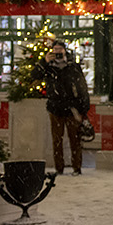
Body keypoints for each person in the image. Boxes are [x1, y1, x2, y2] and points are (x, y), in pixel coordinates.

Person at [36, 40, 91, 176]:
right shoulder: (48, 67)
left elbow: (82, 86)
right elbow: (35, 76)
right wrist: (44, 62)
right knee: (57, 140)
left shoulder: (72, 66)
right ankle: (59, 168)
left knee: (75, 139)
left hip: (72, 108)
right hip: (55, 108)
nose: (58, 52)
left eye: (60, 49)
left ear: (65, 50)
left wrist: (83, 108)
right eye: (55, 49)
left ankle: (76, 167)